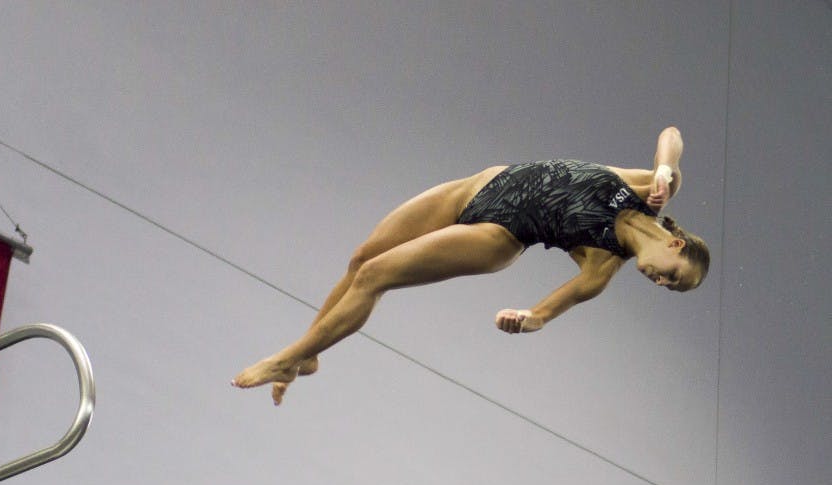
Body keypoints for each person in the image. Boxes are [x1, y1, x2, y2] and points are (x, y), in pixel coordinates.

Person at [233, 127, 709, 405]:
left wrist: (527, 320)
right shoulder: (649, 190)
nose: (660, 281)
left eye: (669, 288)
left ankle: (288, 356)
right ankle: (310, 355)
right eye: (673, 274)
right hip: (483, 183)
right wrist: (666, 171)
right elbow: (672, 136)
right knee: (361, 257)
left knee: (375, 277)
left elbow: (546, 311)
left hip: (498, 236)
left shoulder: (603, 268)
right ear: (675, 241)